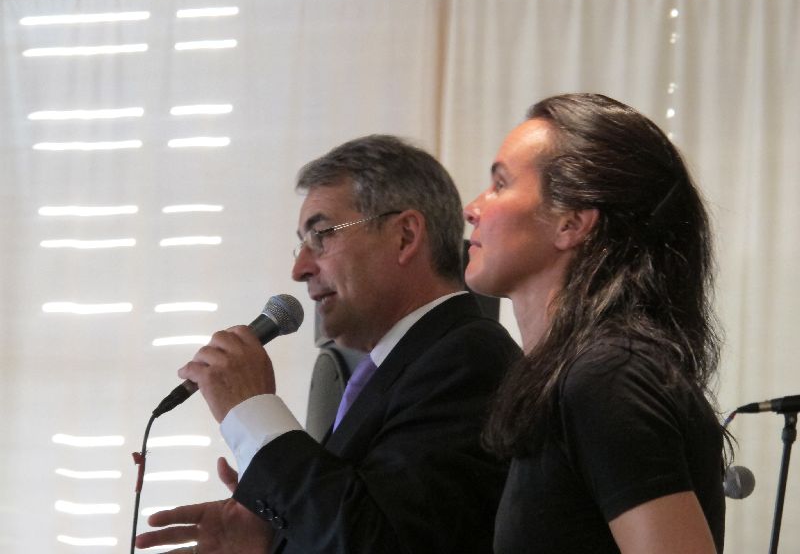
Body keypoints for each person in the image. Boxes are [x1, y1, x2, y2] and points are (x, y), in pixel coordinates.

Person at [136, 134, 520, 553]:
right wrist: (275, 541)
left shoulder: (468, 358)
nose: (299, 269)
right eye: (301, 244)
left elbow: (380, 545)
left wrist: (253, 411)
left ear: (405, 236)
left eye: (321, 235)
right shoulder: (393, 367)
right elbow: (358, 519)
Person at [463, 93, 726, 554]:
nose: (473, 207)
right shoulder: (576, 375)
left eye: (501, 184)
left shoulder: (608, 377)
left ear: (571, 223)